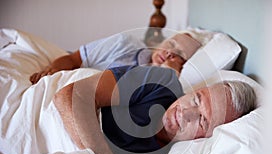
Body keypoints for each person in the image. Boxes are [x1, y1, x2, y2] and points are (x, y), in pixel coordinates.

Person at [53, 62, 256, 154]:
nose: (185, 113)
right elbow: (70, 96)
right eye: (196, 99)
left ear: (207, 138)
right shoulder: (160, 82)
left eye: (202, 120)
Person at [29, 32, 202, 84]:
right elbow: (73, 59)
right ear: (162, 40)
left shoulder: (165, 79)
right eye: (171, 44)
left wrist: (169, 71)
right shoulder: (125, 43)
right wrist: (52, 71)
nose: (171, 52)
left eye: (180, 54)